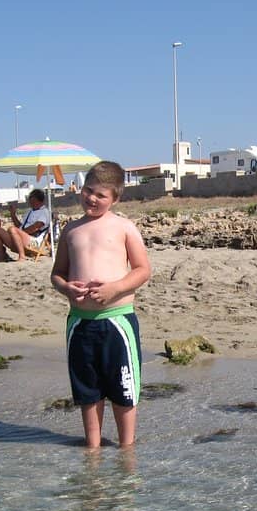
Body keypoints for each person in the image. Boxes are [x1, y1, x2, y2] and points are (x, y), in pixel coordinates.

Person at [51, 161, 151, 449]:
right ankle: (92, 452)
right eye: (88, 191)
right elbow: (57, 273)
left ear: (115, 198)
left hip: (117, 321)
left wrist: (114, 289)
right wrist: (66, 288)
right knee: (88, 391)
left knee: (123, 390)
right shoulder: (71, 230)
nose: (92, 198)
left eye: (101, 195)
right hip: (80, 323)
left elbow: (143, 270)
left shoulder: (123, 227)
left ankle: (126, 450)